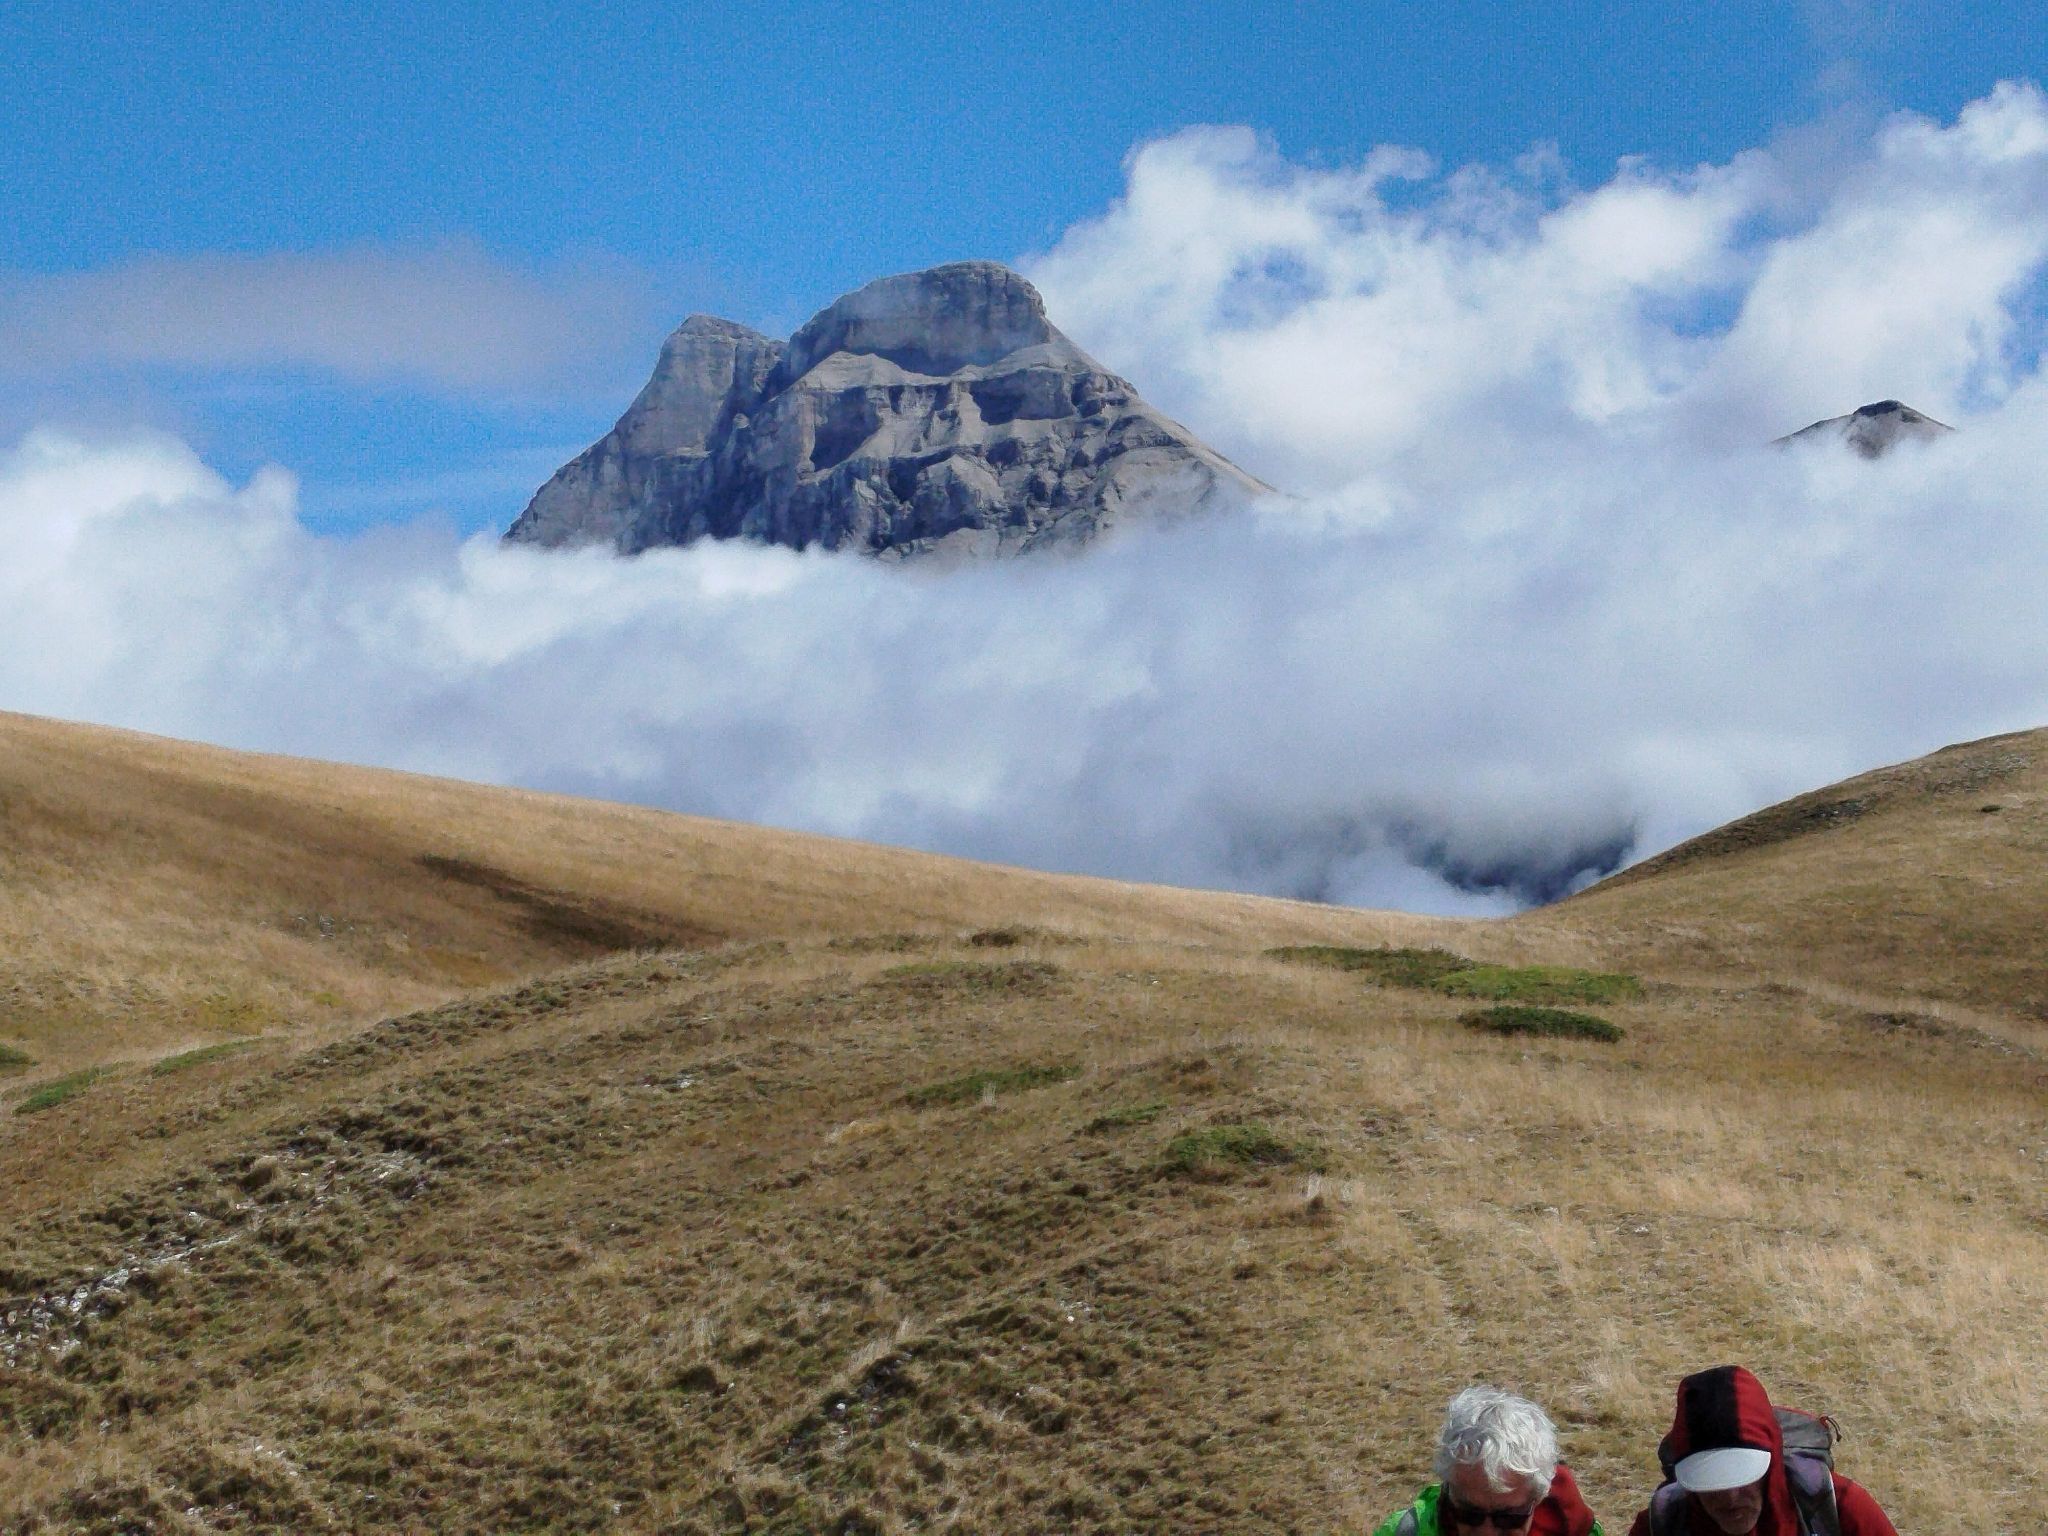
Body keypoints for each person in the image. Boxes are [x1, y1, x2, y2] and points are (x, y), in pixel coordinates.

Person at [1627, 1366, 1898, 1536]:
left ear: (1773, 1462)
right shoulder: (1660, 1526)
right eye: (1712, 1482)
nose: (1730, 1498)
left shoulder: (1843, 1510)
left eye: (1743, 1476)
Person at [1373, 1385, 1603, 1536]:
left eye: (1508, 1518)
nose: (1486, 1533)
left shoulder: (1576, 1529)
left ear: (1538, 1497)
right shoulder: (1405, 1532)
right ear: (1449, 1490)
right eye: (1469, 1514)